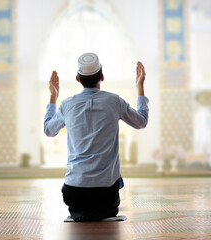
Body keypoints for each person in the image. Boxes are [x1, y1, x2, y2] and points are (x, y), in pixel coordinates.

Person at [44, 53, 149, 222]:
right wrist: (140, 86)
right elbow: (141, 122)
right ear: (102, 76)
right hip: (105, 193)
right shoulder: (114, 102)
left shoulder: (66, 105)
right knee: (107, 203)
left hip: (73, 192)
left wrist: (53, 97)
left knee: (81, 205)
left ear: (77, 79)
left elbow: (49, 131)